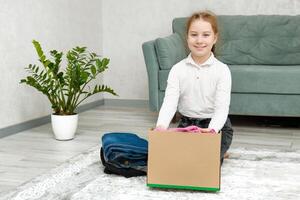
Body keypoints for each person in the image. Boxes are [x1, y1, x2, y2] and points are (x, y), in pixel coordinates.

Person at [155, 11, 233, 163]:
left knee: (203, 164)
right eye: (194, 34)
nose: (199, 40)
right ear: (187, 37)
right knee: (178, 161)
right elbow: (169, 103)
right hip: (187, 125)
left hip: (214, 126)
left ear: (214, 38)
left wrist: (212, 131)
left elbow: (222, 108)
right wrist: (161, 127)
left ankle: (221, 152)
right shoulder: (177, 69)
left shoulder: (222, 70)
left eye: (206, 35)